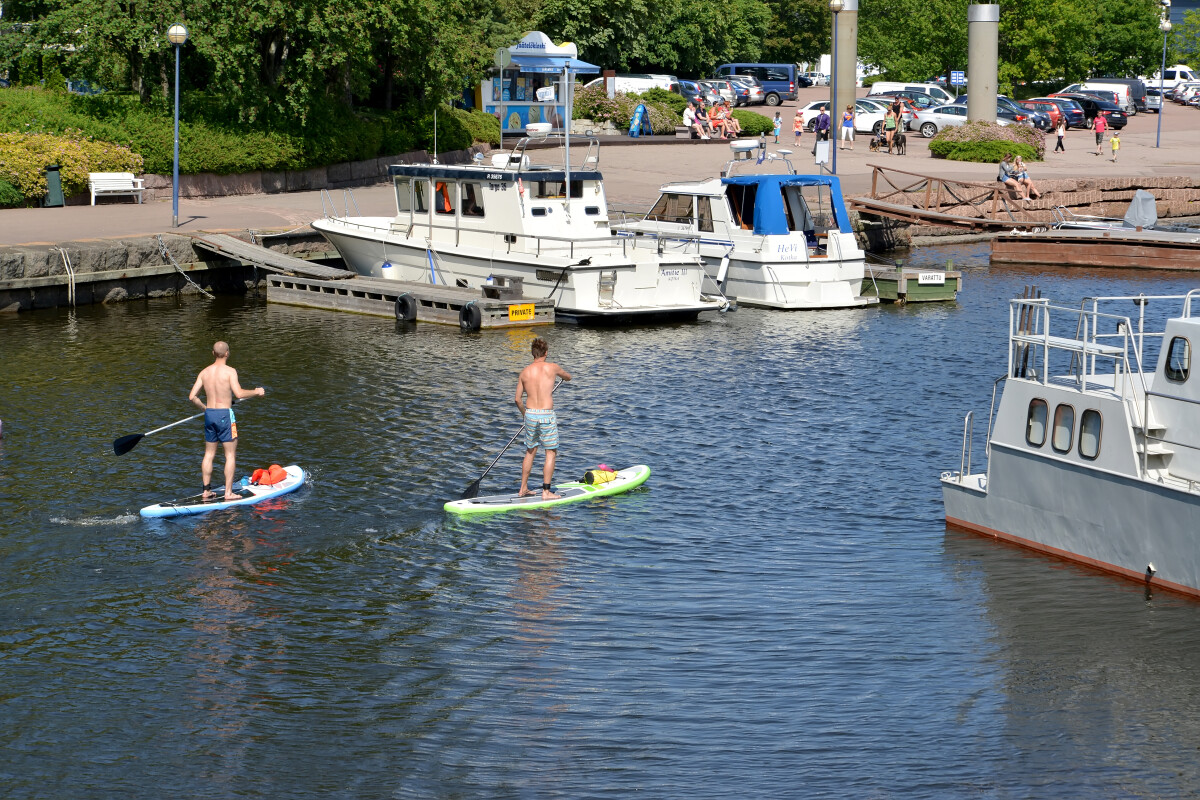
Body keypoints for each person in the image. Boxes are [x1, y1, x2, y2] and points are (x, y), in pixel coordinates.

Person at [188, 341, 266, 500]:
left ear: (213, 353)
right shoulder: (230, 371)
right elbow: (239, 393)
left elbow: (192, 397)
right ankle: (229, 493)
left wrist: (205, 409)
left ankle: (206, 491)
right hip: (224, 415)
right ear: (227, 353)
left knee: (209, 454)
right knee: (230, 455)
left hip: (210, 414)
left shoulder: (204, 372)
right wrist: (257, 391)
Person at [515, 337, 572, 500]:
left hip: (531, 414)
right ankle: (546, 492)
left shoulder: (524, 372)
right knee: (550, 452)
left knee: (530, 451)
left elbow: (517, 400)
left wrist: (525, 414)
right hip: (546, 415)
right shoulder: (552, 368)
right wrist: (566, 377)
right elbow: (568, 377)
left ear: (533, 354)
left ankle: (523, 488)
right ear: (546, 353)